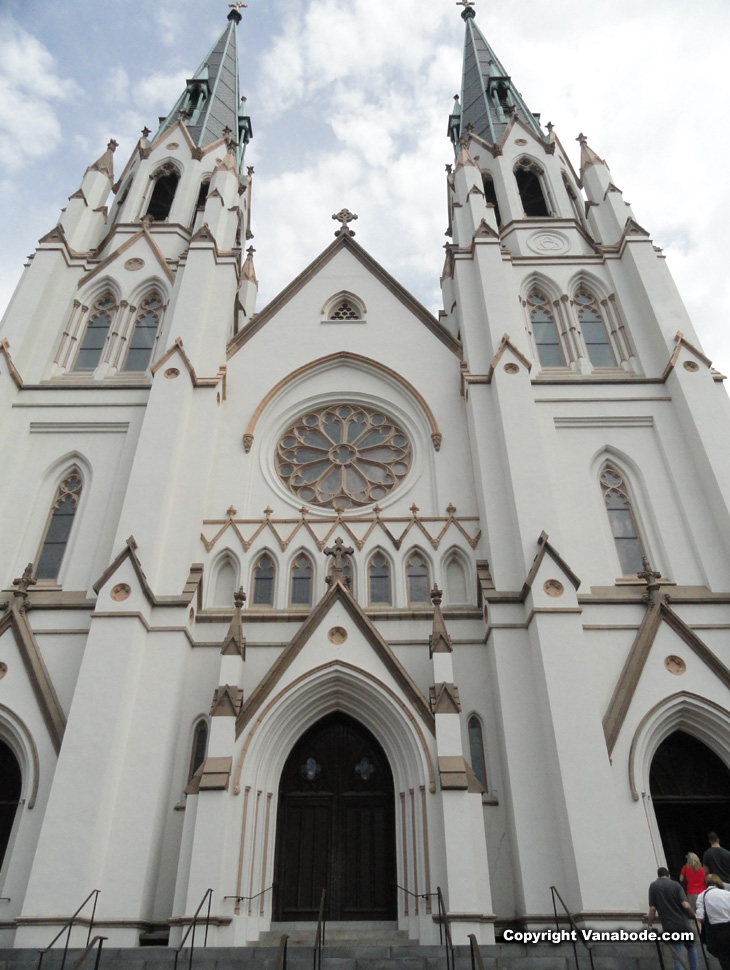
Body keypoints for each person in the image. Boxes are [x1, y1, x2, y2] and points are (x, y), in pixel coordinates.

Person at [648, 867, 698, 970]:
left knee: (677, 955)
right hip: (683, 923)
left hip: (669, 925)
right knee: (691, 947)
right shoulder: (675, 885)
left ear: (658, 875)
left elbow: (653, 909)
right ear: (669, 875)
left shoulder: (653, 886)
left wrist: (649, 924)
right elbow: (686, 905)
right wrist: (694, 915)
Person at [696, 874, 730, 970]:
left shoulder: (702, 896)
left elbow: (700, 917)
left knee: (724, 958)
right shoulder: (727, 894)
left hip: (716, 931)